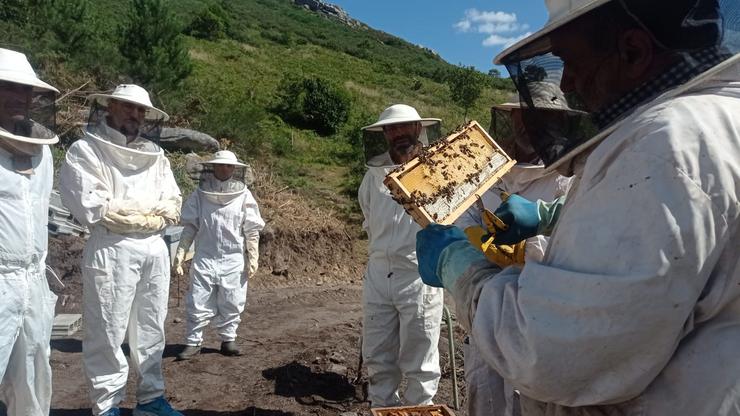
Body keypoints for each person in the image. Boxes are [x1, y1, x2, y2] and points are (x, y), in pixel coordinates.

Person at [416, 0, 740, 415]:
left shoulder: (667, 143)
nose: (566, 82)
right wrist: (554, 217)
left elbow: (548, 352)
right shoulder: (718, 121)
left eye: (569, 60)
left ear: (633, 51)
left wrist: (458, 267)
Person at [59, 84, 183, 416]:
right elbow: (93, 206)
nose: (135, 115)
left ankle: (151, 399)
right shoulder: (85, 152)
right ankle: (107, 405)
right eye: (128, 107)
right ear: (110, 107)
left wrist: (135, 214)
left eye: (141, 110)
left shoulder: (156, 157)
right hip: (111, 249)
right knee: (107, 328)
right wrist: (146, 215)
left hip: (155, 249)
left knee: (151, 326)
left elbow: (171, 203)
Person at [455, 91, 573, 416]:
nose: (530, 123)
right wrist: (467, 238)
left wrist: (528, 248)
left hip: (541, 324)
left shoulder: (571, 177)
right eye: (523, 114)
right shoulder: (484, 171)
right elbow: (464, 216)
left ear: (559, 120)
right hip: (484, 312)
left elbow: (581, 243)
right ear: (511, 118)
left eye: (542, 115)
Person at [358, 104, 444, 408]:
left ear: (418, 128)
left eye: (403, 126)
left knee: (420, 357)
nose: (397, 133)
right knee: (378, 354)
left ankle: (420, 409)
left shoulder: (438, 168)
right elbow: (369, 218)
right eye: (391, 128)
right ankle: (381, 408)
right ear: (383, 133)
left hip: (419, 274)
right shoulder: (373, 175)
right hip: (379, 274)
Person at [0, 48, 59, 416]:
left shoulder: (43, 152)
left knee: (34, 375)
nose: (20, 97)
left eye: (26, 91)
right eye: (9, 87)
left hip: (33, 280)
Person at [174, 150, 264, 360]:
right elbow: (190, 226)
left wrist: (253, 255)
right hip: (205, 256)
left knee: (232, 299)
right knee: (197, 300)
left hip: (233, 258)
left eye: (229, 166)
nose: (225, 169)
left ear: (235, 169)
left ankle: (228, 340)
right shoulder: (199, 195)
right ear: (212, 167)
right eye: (221, 165)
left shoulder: (244, 195)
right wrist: (181, 252)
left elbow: (251, 229)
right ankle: (193, 342)